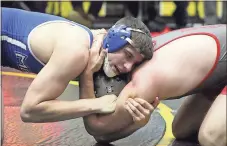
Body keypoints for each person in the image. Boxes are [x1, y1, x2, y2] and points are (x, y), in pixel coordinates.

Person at [82, 24, 226, 146]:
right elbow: (101, 137)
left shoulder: (144, 82)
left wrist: (87, 74)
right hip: (219, 71)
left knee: (210, 137)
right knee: (182, 129)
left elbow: (96, 129)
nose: (126, 66)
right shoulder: (133, 47)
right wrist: (137, 124)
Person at [1, 7, 154, 123]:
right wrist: (95, 104)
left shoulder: (98, 51)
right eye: (128, 55)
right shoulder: (76, 51)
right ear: (113, 39)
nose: (128, 67)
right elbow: (29, 110)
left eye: (135, 63)